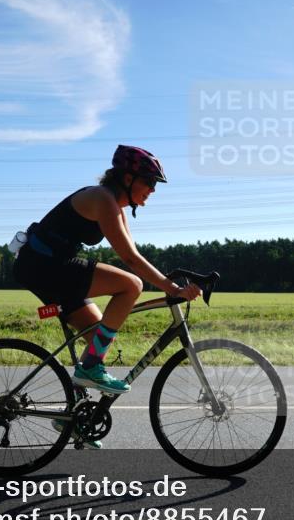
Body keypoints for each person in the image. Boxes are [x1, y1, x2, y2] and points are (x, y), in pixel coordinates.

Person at [14, 145, 201, 397]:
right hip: (44, 265)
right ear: (128, 178)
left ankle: (76, 409)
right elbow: (130, 260)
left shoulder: (116, 208)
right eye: (149, 182)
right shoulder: (101, 198)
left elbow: (134, 254)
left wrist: (168, 282)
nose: (153, 190)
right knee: (132, 285)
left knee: (98, 339)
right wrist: (173, 289)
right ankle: (90, 370)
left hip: (46, 267)